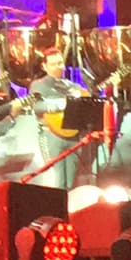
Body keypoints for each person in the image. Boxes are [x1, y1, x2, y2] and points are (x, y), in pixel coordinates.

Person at [31, 47, 93, 189]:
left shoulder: (73, 86)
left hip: (72, 135)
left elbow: (86, 104)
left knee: (70, 181)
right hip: (52, 135)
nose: (57, 67)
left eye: (60, 63)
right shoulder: (39, 85)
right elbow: (37, 107)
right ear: (44, 66)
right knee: (58, 180)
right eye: (53, 64)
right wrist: (61, 104)